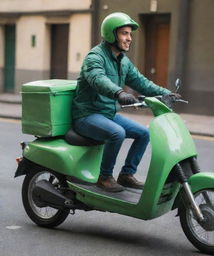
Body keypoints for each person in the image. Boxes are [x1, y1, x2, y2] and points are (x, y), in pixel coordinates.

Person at [72, 12, 177, 192]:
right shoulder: (95, 57)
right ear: (111, 34)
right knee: (117, 133)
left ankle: (126, 174)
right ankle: (104, 177)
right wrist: (119, 92)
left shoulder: (123, 61)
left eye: (130, 34)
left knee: (144, 133)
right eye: (124, 33)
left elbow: (141, 82)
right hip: (87, 115)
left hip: (107, 115)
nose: (129, 38)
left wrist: (167, 93)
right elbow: (98, 79)